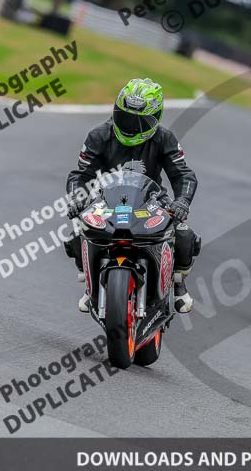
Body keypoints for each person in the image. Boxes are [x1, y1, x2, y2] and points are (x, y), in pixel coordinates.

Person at [65, 78, 200, 314]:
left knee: (185, 235)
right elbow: (79, 174)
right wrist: (76, 197)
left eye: (139, 121)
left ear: (156, 117)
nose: (130, 125)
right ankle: (91, 286)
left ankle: (178, 281)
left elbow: (184, 176)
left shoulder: (164, 138)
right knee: (77, 232)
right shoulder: (99, 135)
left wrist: (182, 202)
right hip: (107, 199)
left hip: (152, 199)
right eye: (125, 116)